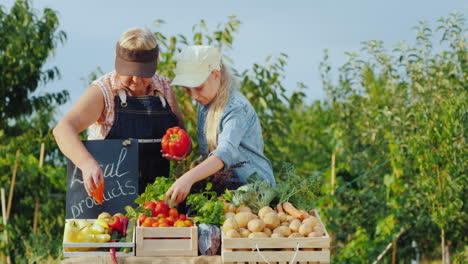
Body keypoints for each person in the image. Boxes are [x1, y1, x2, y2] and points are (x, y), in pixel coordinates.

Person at [53, 27, 186, 197]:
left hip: (157, 200)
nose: (136, 80)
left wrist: (179, 152)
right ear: (118, 63)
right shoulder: (104, 90)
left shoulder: (164, 88)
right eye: (130, 73)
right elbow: (63, 129)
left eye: (144, 73)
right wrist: (87, 164)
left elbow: (182, 136)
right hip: (109, 195)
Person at [164, 45, 275, 206]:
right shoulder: (206, 103)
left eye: (198, 87)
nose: (193, 96)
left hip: (256, 194)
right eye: (187, 91)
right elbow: (210, 153)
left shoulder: (236, 108)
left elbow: (225, 152)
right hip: (229, 194)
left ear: (216, 75)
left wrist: (187, 178)